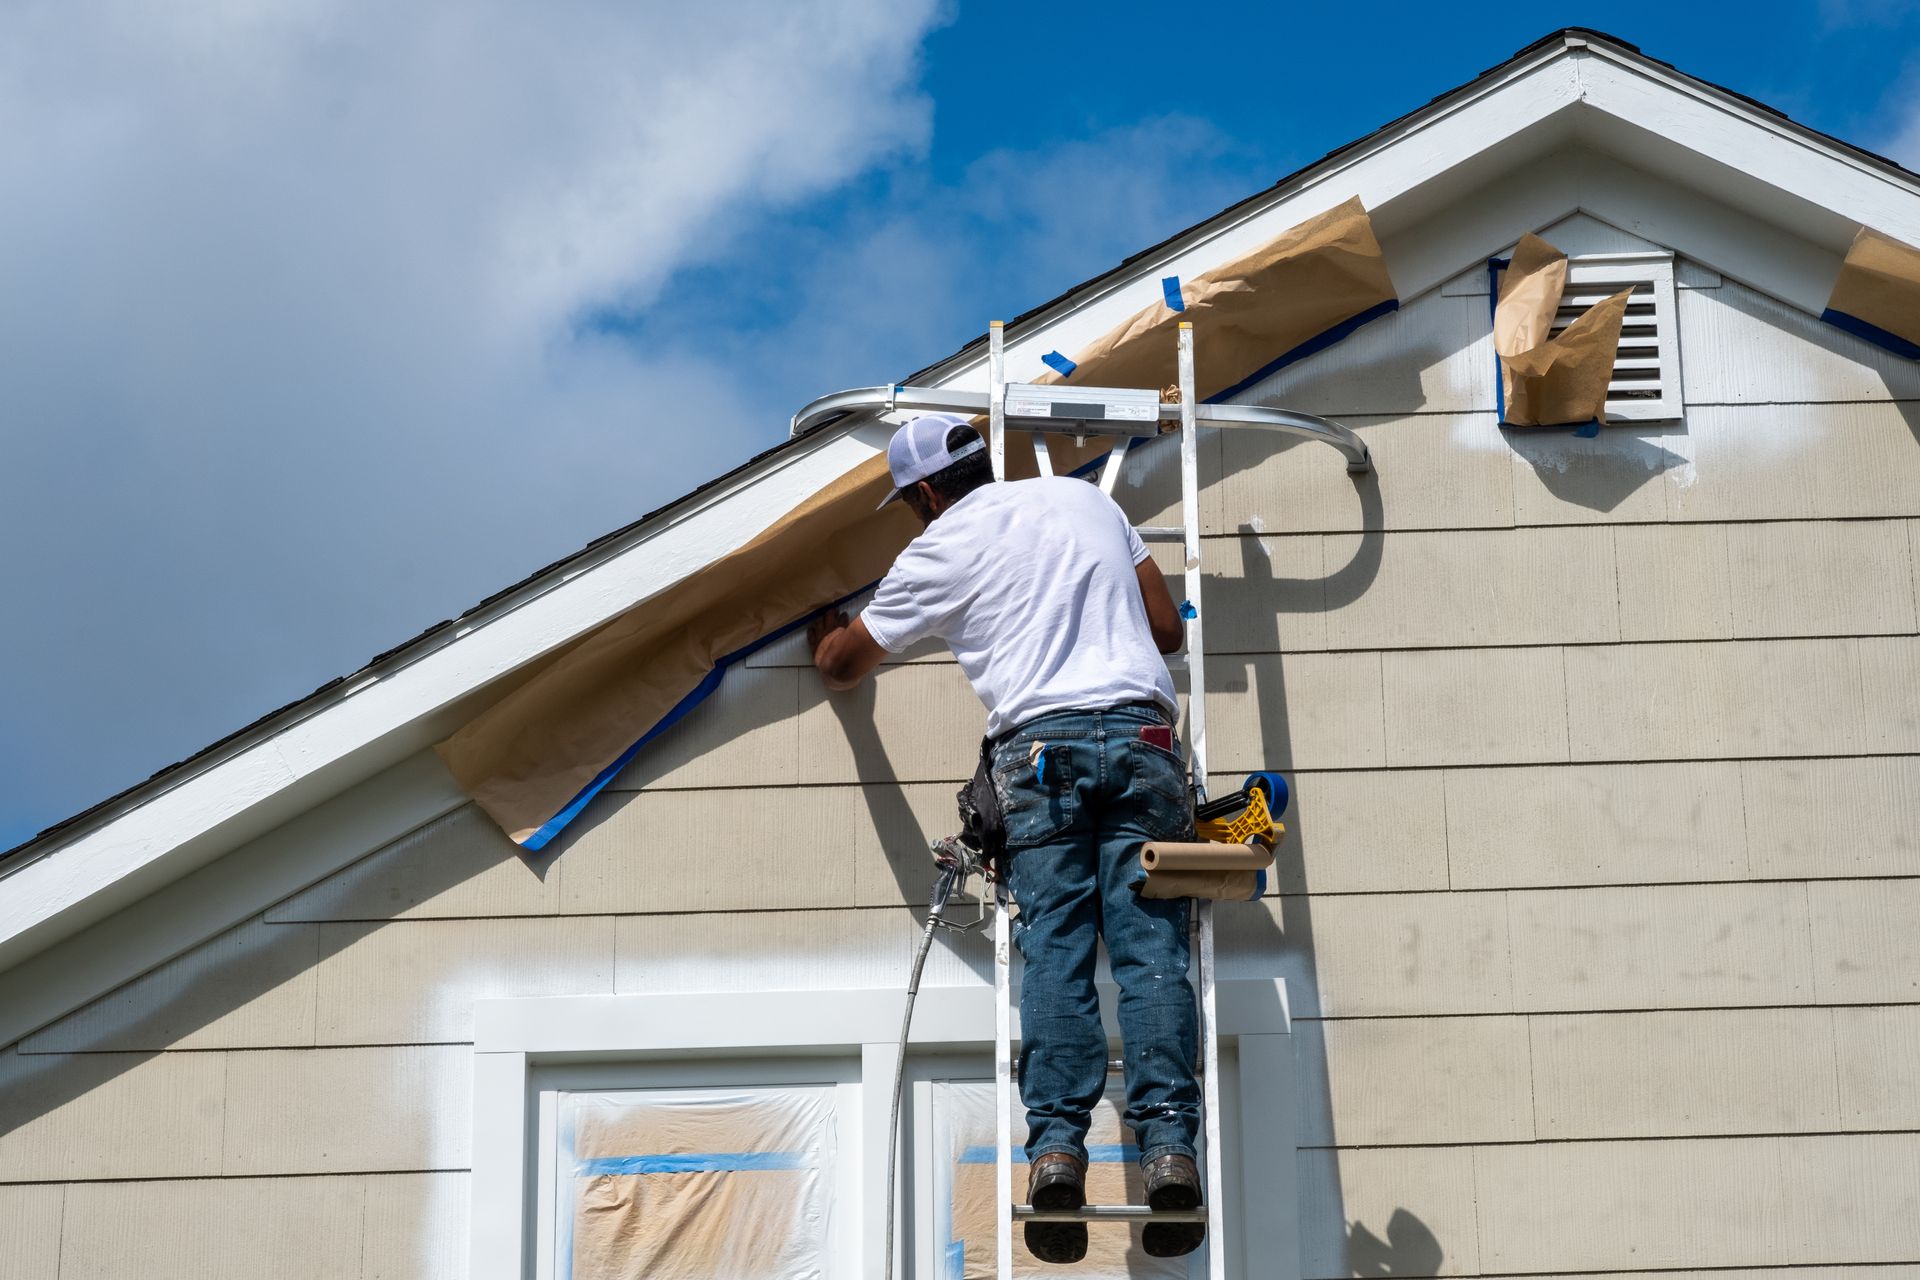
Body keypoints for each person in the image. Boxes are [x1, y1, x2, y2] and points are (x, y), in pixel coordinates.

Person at [808, 413, 1205, 1263]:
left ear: (920, 493)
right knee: (1151, 953)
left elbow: (846, 664)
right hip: (1145, 741)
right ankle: (1171, 1150)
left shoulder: (938, 548)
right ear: (982, 463)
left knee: (1058, 951)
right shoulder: (1084, 501)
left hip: (1043, 752)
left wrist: (821, 634)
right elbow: (1167, 631)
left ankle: (1058, 1153)